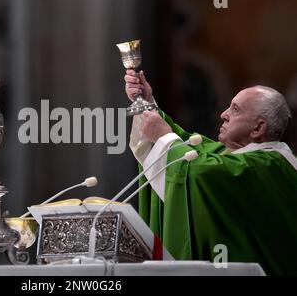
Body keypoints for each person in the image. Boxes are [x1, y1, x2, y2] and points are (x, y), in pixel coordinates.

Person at [125, 69, 297, 275]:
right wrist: (146, 104)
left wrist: (164, 138)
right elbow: (195, 152)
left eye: (235, 110)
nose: (223, 114)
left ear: (258, 128)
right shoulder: (234, 157)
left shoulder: (267, 167)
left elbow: (199, 172)